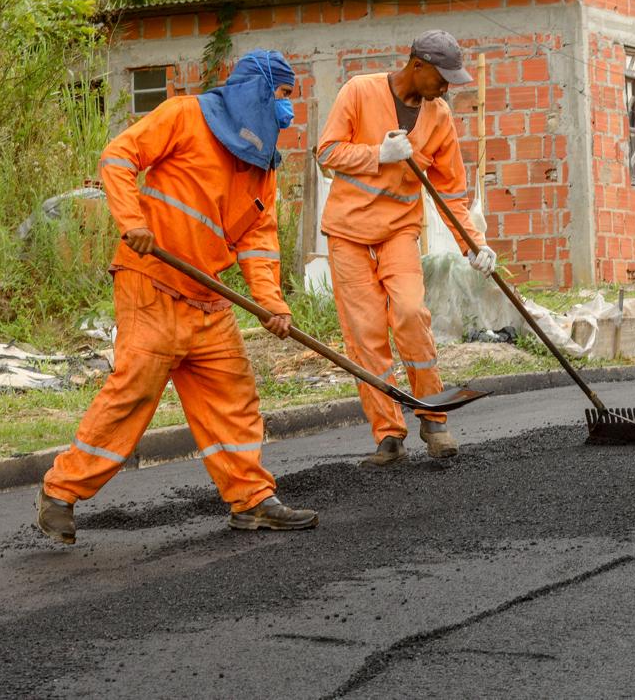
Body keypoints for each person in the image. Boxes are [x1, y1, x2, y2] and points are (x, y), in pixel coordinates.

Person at [37, 50, 318, 544]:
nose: (286, 109)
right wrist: (132, 222)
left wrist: (272, 302)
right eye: (282, 95)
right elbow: (118, 157)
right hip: (152, 282)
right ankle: (60, 493)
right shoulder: (186, 115)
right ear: (256, 89)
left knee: (234, 398)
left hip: (208, 297)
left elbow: (258, 240)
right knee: (135, 391)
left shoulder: (263, 167)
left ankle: (252, 501)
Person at [317, 30, 495, 467]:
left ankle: (433, 418)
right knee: (366, 335)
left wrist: (473, 245)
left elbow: (451, 191)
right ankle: (388, 435)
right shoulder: (359, 91)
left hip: (398, 231)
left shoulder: (439, 116)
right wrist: (377, 153)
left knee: (412, 313)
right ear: (417, 65)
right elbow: (327, 151)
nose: (446, 87)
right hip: (348, 234)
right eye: (442, 77)